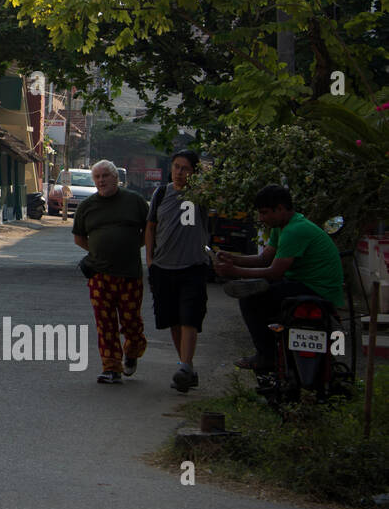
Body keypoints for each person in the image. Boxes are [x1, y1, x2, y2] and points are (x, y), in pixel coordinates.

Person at [214, 184, 345, 373]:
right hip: (302, 284)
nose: (261, 218)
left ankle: (266, 356)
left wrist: (234, 271)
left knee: (250, 299)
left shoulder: (295, 230)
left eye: (265, 213)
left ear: (281, 209)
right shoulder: (282, 227)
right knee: (260, 289)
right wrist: (232, 258)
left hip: (316, 290)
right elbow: (264, 259)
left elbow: (275, 271)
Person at [72, 159, 149, 384]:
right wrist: (99, 253)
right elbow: (79, 238)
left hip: (129, 274)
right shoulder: (87, 206)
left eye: (105, 175)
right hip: (99, 275)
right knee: (105, 323)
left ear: (116, 177)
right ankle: (111, 367)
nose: (101, 180)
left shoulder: (134, 201)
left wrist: (131, 247)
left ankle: (133, 351)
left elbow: (150, 231)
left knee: (131, 323)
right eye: (97, 177)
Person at [145, 150, 211, 393]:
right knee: (172, 320)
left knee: (190, 318)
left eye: (185, 168)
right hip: (163, 268)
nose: (180, 172)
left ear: (194, 173)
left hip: (193, 266)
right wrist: (150, 260)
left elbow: (219, 195)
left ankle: (184, 366)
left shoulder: (201, 196)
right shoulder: (161, 194)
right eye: (176, 167)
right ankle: (187, 367)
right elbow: (150, 228)